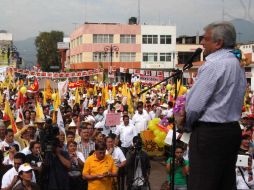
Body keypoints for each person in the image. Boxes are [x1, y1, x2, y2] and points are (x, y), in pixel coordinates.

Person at [185, 21, 247, 190]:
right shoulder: (237, 64)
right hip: (231, 131)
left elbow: (194, 107)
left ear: (218, 42)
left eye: (205, 39)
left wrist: (188, 125)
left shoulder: (213, 64)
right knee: (224, 183)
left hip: (209, 134)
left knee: (201, 183)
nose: (202, 43)